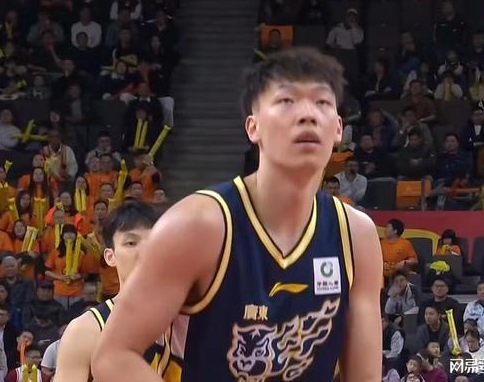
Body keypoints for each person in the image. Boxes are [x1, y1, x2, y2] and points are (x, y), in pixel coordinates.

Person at [91, 48, 383, 381]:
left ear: (338, 129)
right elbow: (113, 356)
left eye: (322, 103)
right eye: (286, 101)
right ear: (253, 127)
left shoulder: (355, 235)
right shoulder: (197, 224)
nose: (307, 114)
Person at [54, 201, 159, 381]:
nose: (144, 251)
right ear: (110, 257)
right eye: (131, 243)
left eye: (154, 242)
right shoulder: (85, 330)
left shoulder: (186, 321)